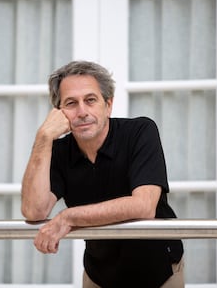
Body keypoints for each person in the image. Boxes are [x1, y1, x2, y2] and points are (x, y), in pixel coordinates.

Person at [21, 60, 184, 288]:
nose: (82, 112)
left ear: (108, 105)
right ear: (59, 113)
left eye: (90, 100)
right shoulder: (58, 152)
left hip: (159, 272)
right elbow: (34, 210)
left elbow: (144, 206)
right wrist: (43, 137)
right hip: (98, 275)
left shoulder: (140, 132)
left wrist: (68, 217)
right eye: (71, 103)